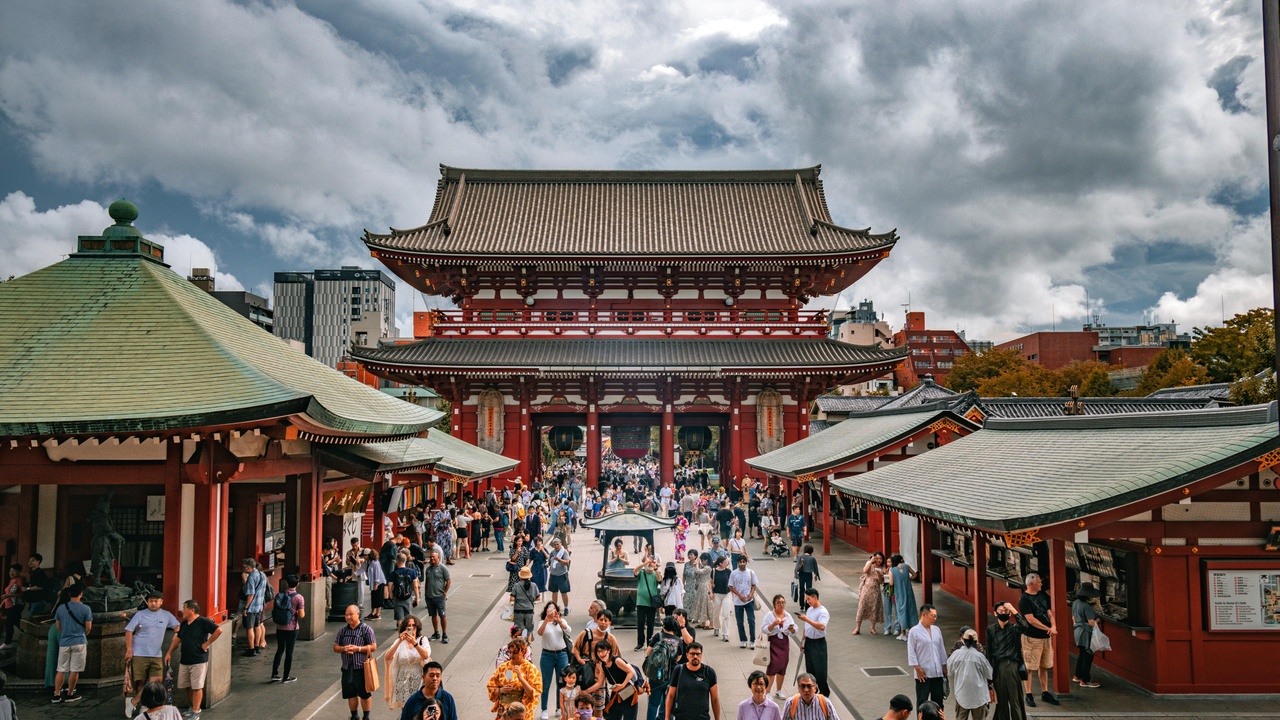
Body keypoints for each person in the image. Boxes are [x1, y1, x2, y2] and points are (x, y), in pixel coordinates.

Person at [124, 589, 179, 715]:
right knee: (140, 681)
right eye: (150, 601)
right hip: (139, 652)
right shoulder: (140, 614)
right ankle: (143, 706)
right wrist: (129, 649)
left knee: (157, 680)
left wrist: (177, 634)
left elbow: (177, 625)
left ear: (161, 602)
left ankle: (133, 702)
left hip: (156, 654)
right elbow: (128, 630)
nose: (153, 603)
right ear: (147, 602)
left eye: (156, 601)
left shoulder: (166, 615)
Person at [165, 600, 221, 720]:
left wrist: (207, 643)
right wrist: (169, 652)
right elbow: (177, 640)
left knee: (197, 686)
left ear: (191, 610)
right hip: (185, 659)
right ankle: (192, 706)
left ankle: (196, 710)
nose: (182, 610)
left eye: (184, 608)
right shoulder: (184, 624)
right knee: (187, 685)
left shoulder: (203, 621)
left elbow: (218, 630)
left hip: (199, 659)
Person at [1017, 573, 1058, 706]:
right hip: (1031, 637)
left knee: (1044, 665)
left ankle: (1045, 692)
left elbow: (1049, 612)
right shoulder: (1024, 600)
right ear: (1031, 584)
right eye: (1039, 582)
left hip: (1045, 637)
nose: (1041, 584)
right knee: (1029, 666)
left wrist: (1053, 625)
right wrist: (1048, 628)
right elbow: (1031, 620)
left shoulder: (1043, 596)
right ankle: (1028, 694)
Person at [334, 604, 378, 720]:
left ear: (358, 614)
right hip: (347, 667)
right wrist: (344, 649)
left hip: (362, 668)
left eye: (351, 614)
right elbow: (335, 647)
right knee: (351, 693)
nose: (348, 617)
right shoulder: (342, 631)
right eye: (346, 615)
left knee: (364, 693)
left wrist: (358, 649)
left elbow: (373, 646)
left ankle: (366, 716)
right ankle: (354, 715)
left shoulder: (366, 629)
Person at [985, 602, 1027, 720]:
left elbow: (1025, 626)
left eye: (1006, 611)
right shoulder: (991, 630)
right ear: (995, 613)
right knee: (1001, 701)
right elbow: (989, 651)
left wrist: (1013, 610)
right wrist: (989, 674)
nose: (1003, 613)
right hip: (997, 666)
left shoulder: (1014, 628)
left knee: (1015, 699)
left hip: (1011, 665)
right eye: (1001, 611)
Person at [51, 583, 92, 704]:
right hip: (79, 641)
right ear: (81, 594)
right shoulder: (86, 609)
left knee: (61, 669)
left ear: (69, 594)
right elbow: (88, 627)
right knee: (75, 669)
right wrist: (82, 634)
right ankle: (70, 693)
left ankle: (57, 694)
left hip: (64, 642)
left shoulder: (61, 608)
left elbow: (58, 626)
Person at [487, 638, 542, 720]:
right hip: (504, 711)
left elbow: (533, 694)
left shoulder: (530, 669)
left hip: (520, 712)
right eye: (510, 652)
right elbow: (491, 687)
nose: (511, 656)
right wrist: (501, 690)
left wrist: (521, 679)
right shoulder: (503, 667)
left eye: (515, 653)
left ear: (523, 652)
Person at [384, 615, 430, 710]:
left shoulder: (422, 640)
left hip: (419, 681)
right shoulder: (399, 641)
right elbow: (388, 657)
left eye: (414, 625)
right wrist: (399, 641)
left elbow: (426, 655)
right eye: (409, 626)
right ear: (405, 628)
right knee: (406, 711)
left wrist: (415, 643)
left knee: (419, 709)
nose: (412, 628)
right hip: (403, 682)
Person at [948, 627, 994, 720]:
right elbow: (989, 674)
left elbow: (949, 671)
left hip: (961, 695)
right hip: (978, 696)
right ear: (976, 642)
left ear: (963, 640)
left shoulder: (956, 655)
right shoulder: (980, 656)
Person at [536, 602, 572, 720]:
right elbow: (540, 633)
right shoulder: (542, 622)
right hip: (547, 655)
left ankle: (558, 707)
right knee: (546, 683)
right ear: (546, 611)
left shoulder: (561, 621)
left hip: (561, 654)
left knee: (560, 682)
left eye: (554, 609)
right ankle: (544, 709)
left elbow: (568, 630)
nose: (551, 611)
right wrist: (547, 620)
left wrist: (559, 620)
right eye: (549, 609)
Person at [907, 603, 947, 709]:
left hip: (937, 672)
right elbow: (911, 651)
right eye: (932, 616)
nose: (934, 618)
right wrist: (917, 668)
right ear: (924, 615)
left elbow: (941, 649)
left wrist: (944, 666)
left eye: (935, 616)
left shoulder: (936, 630)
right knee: (922, 701)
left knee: (938, 702)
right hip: (923, 673)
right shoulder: (914, 631)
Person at [665, 641, 718, 720]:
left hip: (702, 717)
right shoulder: (679, 670)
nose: (695, 656)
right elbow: (671, 695)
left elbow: (715, 699)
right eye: (692, 654)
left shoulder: (709, 672)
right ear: (687, 655)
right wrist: (667, 717)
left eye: (698, 654)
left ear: (701, 655)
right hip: (681, 717)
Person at [643, 616, 683, 720]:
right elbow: (678, 657)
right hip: (671, 675)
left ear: (664, 625)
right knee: (669, 703)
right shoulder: (678, 640)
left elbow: (647, 653)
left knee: (653, 704)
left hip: (657, 674)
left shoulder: (658, 636)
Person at [794, 588, 831, 697]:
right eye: (806, 599)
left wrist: (806, 619)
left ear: (815, 597)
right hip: (809, 642)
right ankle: (813, 692)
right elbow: (807, 628)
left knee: (820, 670)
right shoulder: (809, 610)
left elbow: (821, 626)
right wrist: (802, 640)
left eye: (809, 599)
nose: (807, 601)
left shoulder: (823, 612)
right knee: (810, 670)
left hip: (819, 643)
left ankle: (824, 692)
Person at [760, 594, 796, 700]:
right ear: (774, 605)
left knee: (782, 667)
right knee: (772, 667)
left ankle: (779, 690)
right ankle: (767, 692)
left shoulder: (788, 616)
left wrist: (792, 629)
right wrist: (773, 624)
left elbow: (793, 631)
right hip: (773, 643)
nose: (781, 605)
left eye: (783, 602)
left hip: (784, 644)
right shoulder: (769, 615)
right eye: (779, 603)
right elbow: (764, 629)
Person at [271, 573, 306, 683]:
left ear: (286, 583)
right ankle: (286, 676)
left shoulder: (279, 595)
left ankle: (274, 673)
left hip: (279, 626)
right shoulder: (299, 598)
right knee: (289, 652)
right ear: (297, 584)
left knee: (280, 649)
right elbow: (301, 615)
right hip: (292, 627)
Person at [593, 639, 637, 720]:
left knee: (629, 716)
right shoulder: (603, 665)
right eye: (598, 651)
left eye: (603, 650)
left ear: (609, 650)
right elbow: (599, 683)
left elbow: (630, 672)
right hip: (617, 694)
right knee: (613, 715)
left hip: (628, 692)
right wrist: (586, 691)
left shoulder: (616, 660)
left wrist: (623, 685)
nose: (600, 654)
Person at [1071, 582, 1101, 688]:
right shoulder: (1086, 606)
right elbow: (1091, 623)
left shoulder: (1075, 603)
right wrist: (1098, 619)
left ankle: (1077, 675)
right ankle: (1085, 680)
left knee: (1081, 654)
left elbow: (1073, 618)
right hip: (1085, 632)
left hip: (1077, 631)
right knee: (1088, 655)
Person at [418, 550, 450, 645]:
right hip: (429, 596)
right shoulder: (428, 569)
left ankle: (444, 634)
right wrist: (426, 593)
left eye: (434, 557)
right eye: (431, 557)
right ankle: (436, 633)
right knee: (433, 615)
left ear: (438, 558)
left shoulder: (443, 568)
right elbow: (427, 581)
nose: (432, 558)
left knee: (442, 615)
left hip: (439, 596)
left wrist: (445, 592)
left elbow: (448, 580)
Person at [728, 556, 758, 649]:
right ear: (737, 563)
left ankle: (752, 640)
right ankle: (743, 640)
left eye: (743, 562)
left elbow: (754, 585)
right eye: (740, 562)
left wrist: (751, 594)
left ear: (746, 563)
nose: (742, 563)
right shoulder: (734, 573)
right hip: (738, 602)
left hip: (749, 601)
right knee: (740, 622)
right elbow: (731, 586)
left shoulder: (750, 572)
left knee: (751, 620)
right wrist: (739, 595)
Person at [241, 558, 269, 656]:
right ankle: (257, 646)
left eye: (244, 567)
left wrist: (245, 608)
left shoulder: (251, 577)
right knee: (257, 626)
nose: (243, 569)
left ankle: (251, 649)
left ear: (249, 567)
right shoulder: (262, 575)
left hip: (252, 607)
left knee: (249, 628)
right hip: (260, 605)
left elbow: (251, 594)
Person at [854, 552, 885, 635]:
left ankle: (872, 627)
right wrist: (871, 561)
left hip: (875, 590)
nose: (879, 560)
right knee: (861, 607)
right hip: (866, 589)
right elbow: (865, 570)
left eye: (880, 559)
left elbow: (881, 581)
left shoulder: (882, 568)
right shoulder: (869, 563)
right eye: (877, 558)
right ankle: (857, 628)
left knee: (874, 608)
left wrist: (879, 574)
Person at [887, 555, 918, 641]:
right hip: (909, 592)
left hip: (899, 593)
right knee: (911, 610)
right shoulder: (906, 566)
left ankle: (903, 633)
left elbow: (891, 583)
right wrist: (908, 580)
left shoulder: (892, 570)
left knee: (901, 611)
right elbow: (914, 575)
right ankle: (911, 632)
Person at [633, 555, 660, 651]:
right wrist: (645, 563)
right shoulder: (642, 572)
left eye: (651, 562)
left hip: (651, 604)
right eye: (649, 562)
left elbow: (659, 580)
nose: (650, 564)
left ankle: (650, 643)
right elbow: (635, 571)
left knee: (650, 624)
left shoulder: (655, 573)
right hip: (641, 602)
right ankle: (640, 643)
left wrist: (655, 567)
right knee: (640, 624)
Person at [682, 551, 713, 629]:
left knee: (706, 605)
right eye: (701, 560)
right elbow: (695, 575)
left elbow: (698, 571)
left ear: (707, 560)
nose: (702, 562)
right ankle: (703, 622)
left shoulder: (708, 568)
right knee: (700, 604)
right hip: (700, 587)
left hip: (705, 587)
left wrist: (697, 565)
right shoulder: (702, 566)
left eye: (703, 560)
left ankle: (710, 623)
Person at [390, 554, 421, 623]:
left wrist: (391, 596)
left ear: (397, 561)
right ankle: (408, 632)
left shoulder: (393, 573)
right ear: (406, 560)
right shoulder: (412, 572)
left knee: (399, 619)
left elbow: (390, 586)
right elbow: (415, 586)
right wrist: (417, 598)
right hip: (408, 596)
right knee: (408, 618)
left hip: (397, 597)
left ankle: (400, 632)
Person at [513, 567, 540, 638]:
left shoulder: (516, 585)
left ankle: (520, 642)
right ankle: (528, 644)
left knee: (519, 628)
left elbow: (512, 598)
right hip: (529, 610)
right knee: (529, 629)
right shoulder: (534, 585)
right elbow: (538, 598)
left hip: (518, 611)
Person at [1, 564, 24, 649]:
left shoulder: (19, 580)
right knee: (16, 622)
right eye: (10, 571)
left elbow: (20, 594)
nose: (11, 573)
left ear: (18, 572)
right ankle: (27, 632)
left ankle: (7, 642)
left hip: (15, 605)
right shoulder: (12, 580)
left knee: (10, 623)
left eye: (13, 571)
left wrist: (7, 596)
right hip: (9, 605)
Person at [548, 539, 572, 615]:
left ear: (561, 544)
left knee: (563, 592)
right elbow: (549, 561)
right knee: (554, 592)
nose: (556, 546)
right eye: (554, 545)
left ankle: (566, 607)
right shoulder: (552, 552)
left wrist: (559, 559)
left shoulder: (564, 552)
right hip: (553, 574)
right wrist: (547, 564)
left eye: (557, 544)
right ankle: (555, 607)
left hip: (562, 574)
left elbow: (567, 562)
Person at [711, 555, 732, 641]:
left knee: (726, 614)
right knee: (716, 613)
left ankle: (725, 633)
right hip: (716, 594)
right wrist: (710, 592)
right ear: (720, 563)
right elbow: (710, 582)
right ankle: (716, 627)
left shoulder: (728, 571)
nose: (727, 563)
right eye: (725, 562)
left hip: (726, 594)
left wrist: (733, 595)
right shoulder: (714, 571)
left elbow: (731, 584)